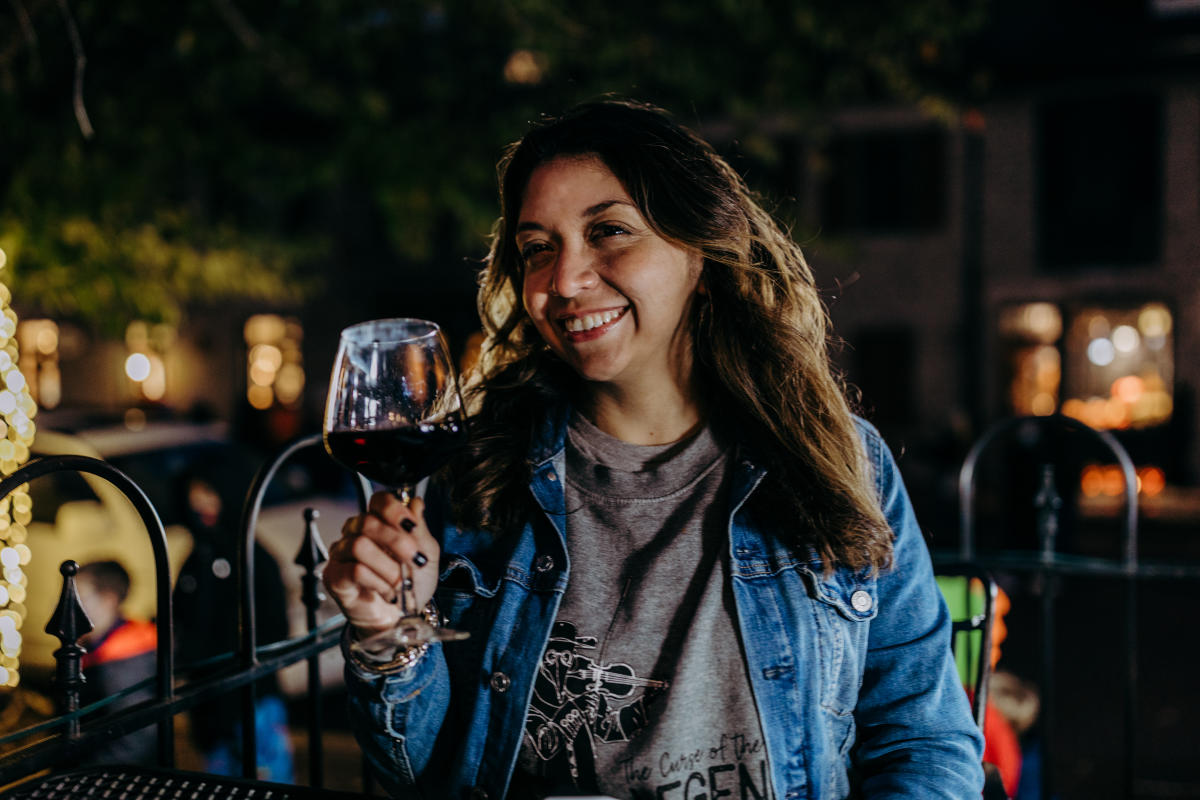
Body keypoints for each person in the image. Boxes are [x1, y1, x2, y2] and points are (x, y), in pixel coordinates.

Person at [324, 99, 985, 799]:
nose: (565, 280)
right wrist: (385, 639)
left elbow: (923, 740)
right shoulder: (479, 477)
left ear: (699, 247)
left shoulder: (839, 460)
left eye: (608, 231)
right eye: (537, 248)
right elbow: (420, 778)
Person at [173, 469, 295, 782]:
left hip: (252, 694)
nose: (202, 505)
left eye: (210, 494)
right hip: (209, 696)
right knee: (222, 781)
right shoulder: (196, 557)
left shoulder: (252, 555)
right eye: (195, 496)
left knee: (266, 779)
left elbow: (275, 624)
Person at [76, 560, 158, 765]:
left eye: (79, 598)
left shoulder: (124, 660)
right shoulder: (100, 645)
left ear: (108, 600)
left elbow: (136, 738)